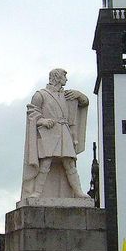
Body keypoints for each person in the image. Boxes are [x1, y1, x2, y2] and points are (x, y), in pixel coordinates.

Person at [21, 67, 91, 200]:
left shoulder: (68, 95)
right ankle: (37, 193)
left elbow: (84, 102)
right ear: (58, 77)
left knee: (69, 163)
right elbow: (32, 113)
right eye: (65, 76)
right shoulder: (41, 94)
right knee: (46, 162)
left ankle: (78, 192)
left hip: (65, 132)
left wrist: (79, 94)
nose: (67, 79)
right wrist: (42, 120)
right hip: (49, 134)